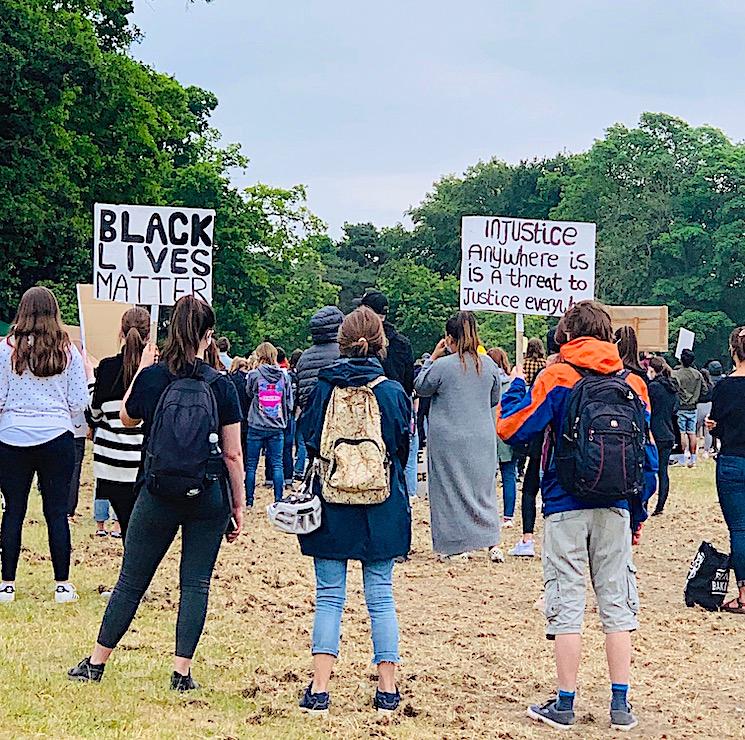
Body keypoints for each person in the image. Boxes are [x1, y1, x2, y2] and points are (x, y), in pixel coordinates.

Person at [68, 295, 245, 689]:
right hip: (208, 492)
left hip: (157, 490)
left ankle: (96, 663)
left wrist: (142, 370)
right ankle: (181, 673)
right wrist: (238, 504)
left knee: (131, 580)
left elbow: (128, 418)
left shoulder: (154, 375)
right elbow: (232, 454)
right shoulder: (222, 385)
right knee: (196, 582)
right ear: (207, 336)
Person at [498, 300, 652, 732]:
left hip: (565, 502)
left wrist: (515, 387)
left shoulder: (557, 376)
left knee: (567, 601)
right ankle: (620, 705)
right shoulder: (633, 384)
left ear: (566, 334)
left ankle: (565, 703)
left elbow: (513, 427)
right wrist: (637, 513)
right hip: (616, 504)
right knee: (616, 604)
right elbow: (647, 456)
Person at [296, 306, 411, 716]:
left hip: (331, 503)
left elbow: (308, 440)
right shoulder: (392, 392)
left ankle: (320, 689)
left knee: (329, 597)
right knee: (380, 598)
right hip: (380, 506)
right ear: (380, 342)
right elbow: (401, 446)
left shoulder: (324, 388)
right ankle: (387, 690)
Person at [0, 286, 89, 604]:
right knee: (56, 512)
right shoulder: (67, 350)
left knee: (13, 511)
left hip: (12, 436)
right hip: (56, 436)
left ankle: (7, 584)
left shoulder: (6, 348)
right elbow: (79, 400)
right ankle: (62, 585)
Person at [414, 312, 502, 562]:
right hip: (482, 436)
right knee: (483, 489)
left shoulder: (442, 366)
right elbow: (494, 399)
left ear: (449, 338)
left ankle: (454, 545)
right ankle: (491, 541)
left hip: (448, 438)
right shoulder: (489, 365)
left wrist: (431, 357)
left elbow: (421, 386)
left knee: (448, 490)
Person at [88, 307, 151, 544]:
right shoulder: (153, 373)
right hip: (140, 462)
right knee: (135, 530)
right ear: (148, 336)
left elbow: (94, 413)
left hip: (109, 462)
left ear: (120, 332)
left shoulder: (105, 367)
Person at [357, 291, 417, 496]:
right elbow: (409, 383)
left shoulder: (362, 344)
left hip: (366, 410)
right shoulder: (403, 343)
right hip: (397, 408)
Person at [707, 327, 745, 614]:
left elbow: (717, 424)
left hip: (732, 459)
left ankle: (744, 593)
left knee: (739, 528)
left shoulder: (723, 387)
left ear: (734, 352)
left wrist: (715, 428)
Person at [295, 307, 343, 481]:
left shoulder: (304, 358)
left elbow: (301, 394)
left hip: (312, 423)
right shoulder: (342, 355)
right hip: (337, 420)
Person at [245, 342, 293, 506]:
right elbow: (288, 401)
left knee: (251, 465)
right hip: (276, 424)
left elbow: (249, 393)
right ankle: (278, 499)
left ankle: (249, 500)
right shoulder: (284, 376)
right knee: (277, 464)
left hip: (257, 423)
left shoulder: (254, 374)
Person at [488, 348, 517, 528]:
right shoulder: (512, 384)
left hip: (487, 432)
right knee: (509, 475)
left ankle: (488, 514)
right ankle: (508, 516)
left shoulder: (484, 383)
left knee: (487, 478)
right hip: (506, 432)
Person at [647, 357, 679, 515]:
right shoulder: (672, 388)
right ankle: (660, 505)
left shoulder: (652, 388)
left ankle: (645, 502)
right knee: (663, 471)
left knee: (647, 469)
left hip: (654, 432)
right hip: (668, 432)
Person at [672, 349, 703, 467]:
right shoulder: (697, 374)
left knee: (681, 433)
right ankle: (693, 458)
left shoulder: (676, 374)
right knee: (692, 433)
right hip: (693, 407)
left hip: (680, 406)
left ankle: (682, 458)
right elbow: (704, 389)